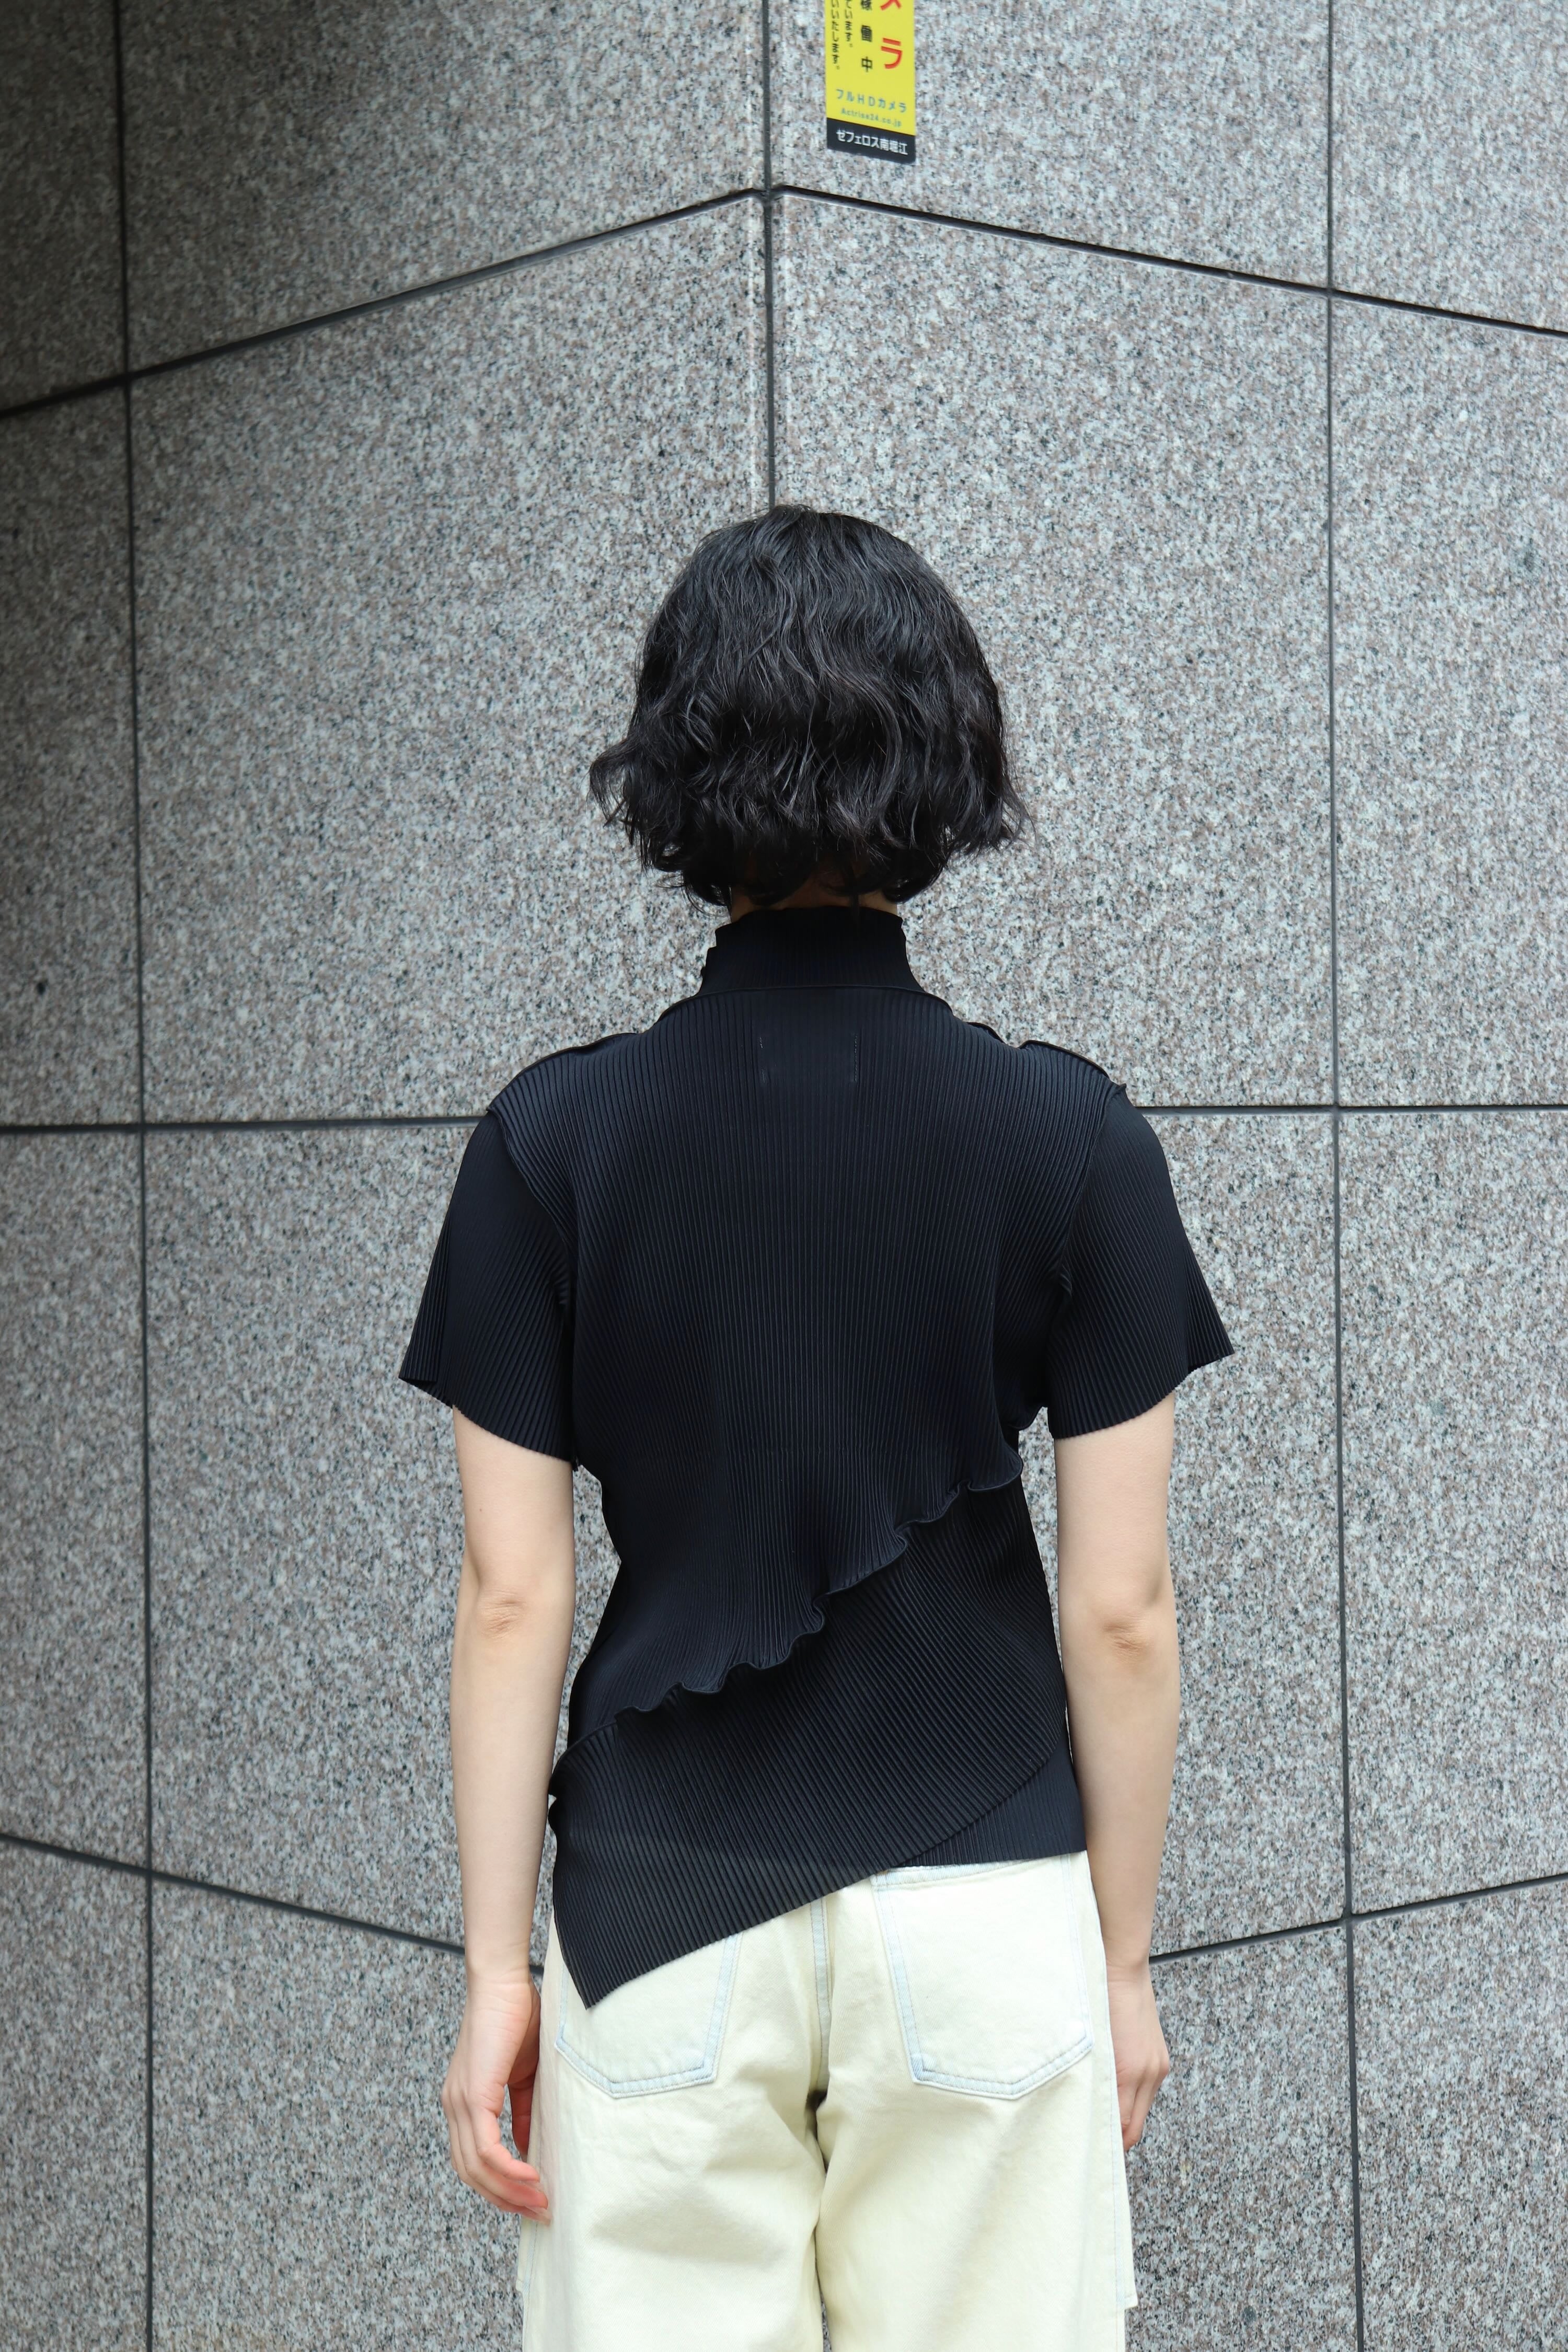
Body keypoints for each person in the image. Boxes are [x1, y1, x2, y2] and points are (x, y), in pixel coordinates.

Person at [400, 505, 1232, 2351]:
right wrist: (1118, 1960)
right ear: (945, 762)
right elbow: (1121, 1607)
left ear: (675, 773)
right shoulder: (1072, 1138)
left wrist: (492, 1971)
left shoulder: (551, 1142)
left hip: (661, 1910)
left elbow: (512, 1595)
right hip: (986, 1909)